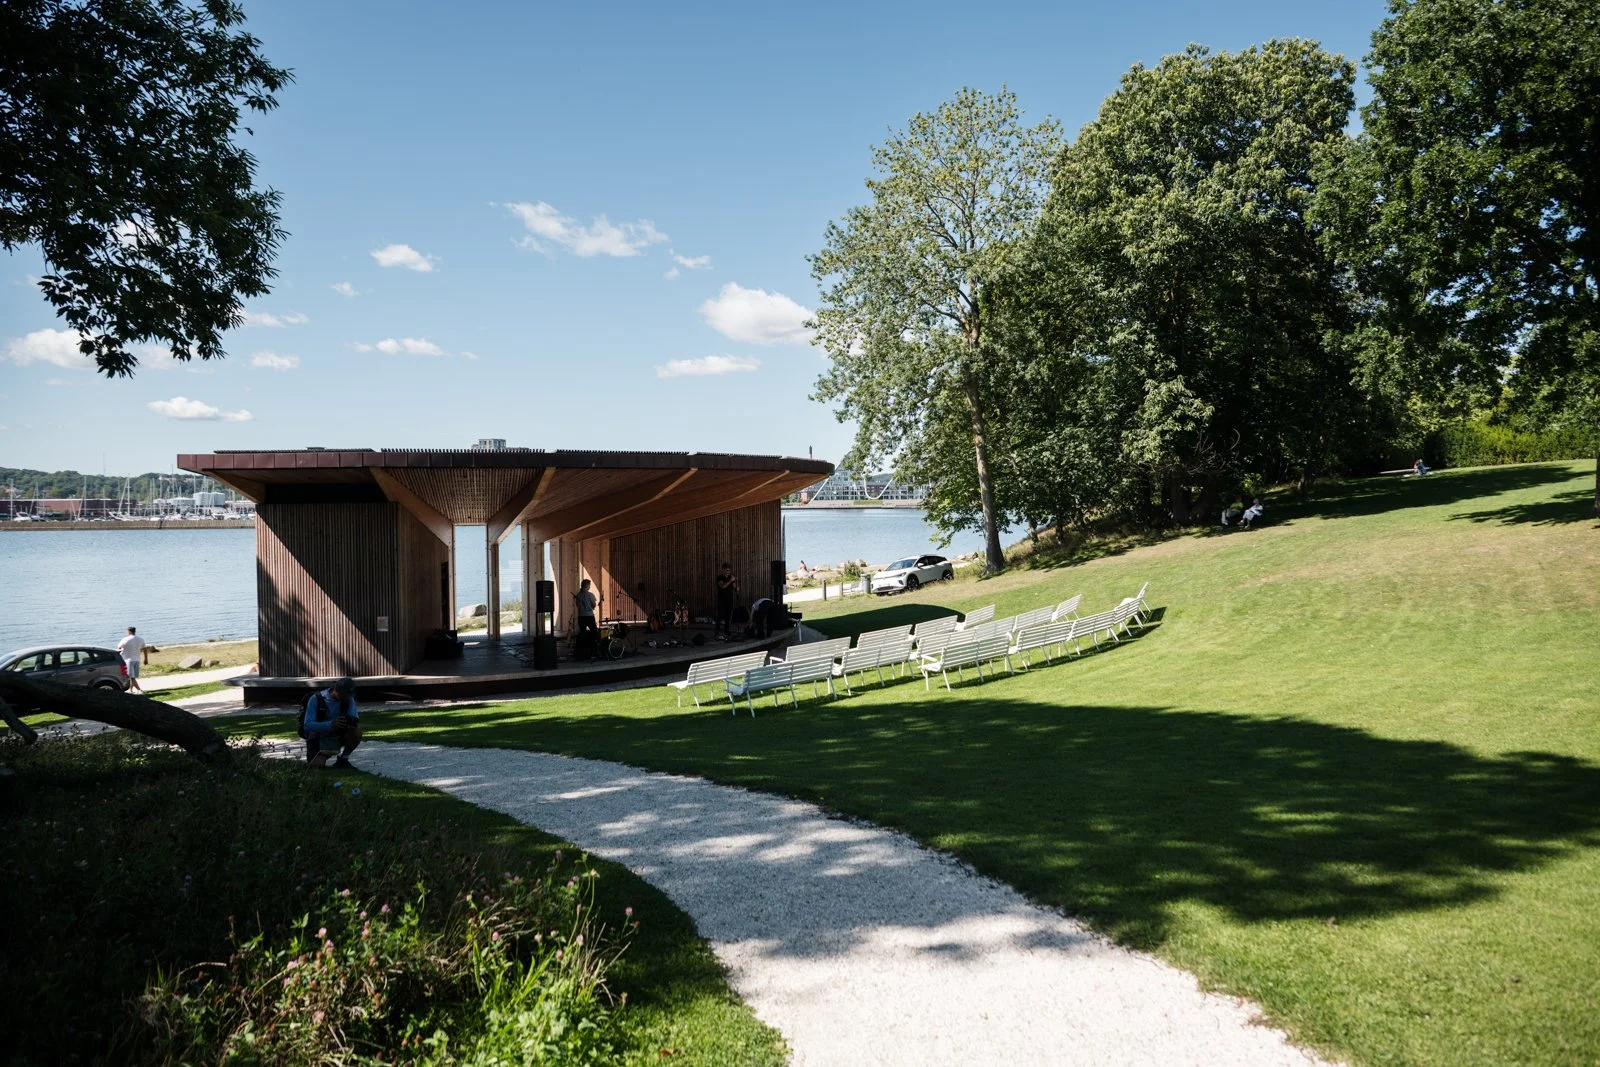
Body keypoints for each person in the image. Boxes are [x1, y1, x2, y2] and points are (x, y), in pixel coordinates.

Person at [301, 677, 361, 768]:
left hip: (337, 734)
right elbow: (307, 725)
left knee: (356, 731)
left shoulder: (349, 699)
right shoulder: (316, 699)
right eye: (345, 695)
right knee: (317, 766)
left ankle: (343, 759)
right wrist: (331, 724)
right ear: (336, 691)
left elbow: (353, 718)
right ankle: (322, 755)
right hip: (318, 737)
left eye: (350, 695)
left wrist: (349, 721)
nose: (348, 697)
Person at [574, 578, 600, 659]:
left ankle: (582, 652)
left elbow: (577, 605)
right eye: (589, 585)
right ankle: (593, 652)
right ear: (587, 585)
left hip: (581, 616)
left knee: (582, 633)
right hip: (589, 616)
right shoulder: (590, 595)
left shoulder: (578, 595)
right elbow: (594, 605)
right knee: (594, 633)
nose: (590, 586)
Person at [116, 625, 146, 693]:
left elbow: (119, 647)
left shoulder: (125, 639)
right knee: (132, 677)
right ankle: (131, 690)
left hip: (128, 660)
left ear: (129, 632)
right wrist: (145, 659)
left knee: (131, 677)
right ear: (135, 631)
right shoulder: (140, 639)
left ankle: (139, 690)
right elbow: (145, 649)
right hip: (137, 659)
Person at [714, 563, 738, 639]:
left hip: (729, 600)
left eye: (729, 570)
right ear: (723, 570)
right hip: (721, 600)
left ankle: (726, 631)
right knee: (719, 616)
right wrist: (730, 581)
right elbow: (723, 586)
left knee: (728, 616)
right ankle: (717, 632)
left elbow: (734, 587)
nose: (728, 572)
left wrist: (736, 589)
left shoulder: (731, 577)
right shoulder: (720, 577)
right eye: (727, 570)